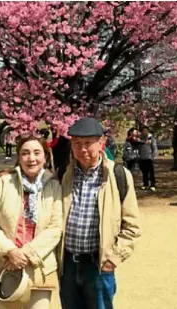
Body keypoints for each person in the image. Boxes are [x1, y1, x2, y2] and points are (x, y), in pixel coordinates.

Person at [57, 117, 141, 309]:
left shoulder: (118, 175)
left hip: (98, 265)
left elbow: (132, 225)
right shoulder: (63, 173)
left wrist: (113, 259)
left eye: (88, 143)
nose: (82, 149)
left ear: (101, 143)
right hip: (68, 264)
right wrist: (10, 174)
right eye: (77, 144)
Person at [0, 134, 63, 309]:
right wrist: (10, 251)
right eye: (25, 153)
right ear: (18, 156)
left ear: (45, 157)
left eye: (36, 153)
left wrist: (26, 253)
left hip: (40, 264)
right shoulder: (3, 182)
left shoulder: (54, 186)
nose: (31, 158)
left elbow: (56, 227)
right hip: (5, 264)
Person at [138, 126, 158, 191]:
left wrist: (153, 156)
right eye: (143, 131)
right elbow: (139, 148)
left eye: (146, 131)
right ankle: (145, 184)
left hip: (149, 158)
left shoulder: (151, 138)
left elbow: (154, 148)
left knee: (151, 172)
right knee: (144, 172)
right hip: (142, 157)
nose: (144, 132)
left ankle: (152, 185)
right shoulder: (140, 138)